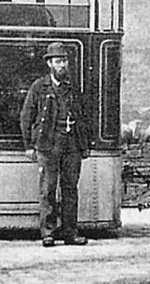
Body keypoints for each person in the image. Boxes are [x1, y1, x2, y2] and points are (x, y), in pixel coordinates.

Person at [20, 41, 90, 248]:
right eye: (58, 61)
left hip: (72, 146)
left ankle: (70, 232)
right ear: (49, 63)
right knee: (48, 189)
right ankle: (48, 233)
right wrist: (28, 146)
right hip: (48, 145)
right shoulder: (39, 87)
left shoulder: (72, 88)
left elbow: (83, 117)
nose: (62, 65)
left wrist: (83, 146)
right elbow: (26, 116)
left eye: (65, 61)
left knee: (70, 189)